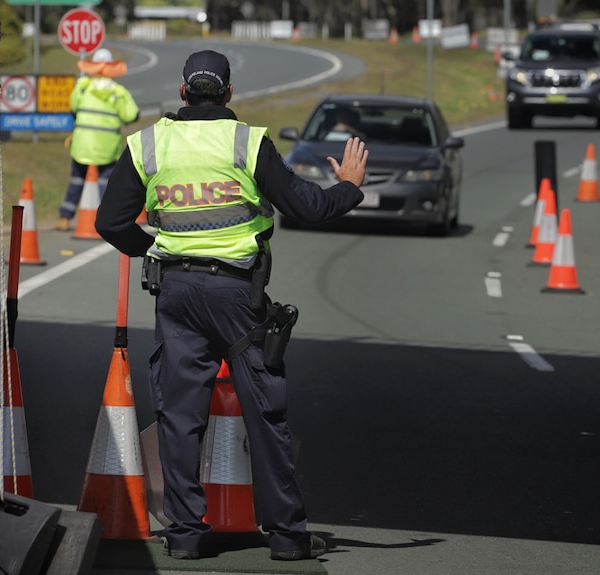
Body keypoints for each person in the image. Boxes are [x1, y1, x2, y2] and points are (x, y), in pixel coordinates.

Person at [94, 50, 368, 561]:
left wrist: (153, 248)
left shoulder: (146, 144)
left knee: (179, 416)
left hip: (175, 293)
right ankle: (287, 538)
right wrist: (349, 188)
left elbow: (110, 223)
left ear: (181, 92)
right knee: (264, 412)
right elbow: (307, 205)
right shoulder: (248, 142)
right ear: (228, 93)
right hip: (238, 296)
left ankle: (185, 536)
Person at [55, 48, 140, 231]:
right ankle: (107, 222)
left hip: (82, 145)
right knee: (106, 184)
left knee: (76, 180)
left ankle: (64, 218)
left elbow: (74, 106)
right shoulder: (118, 91)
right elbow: (131, 115)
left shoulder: (83, 85)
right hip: (106, 147)